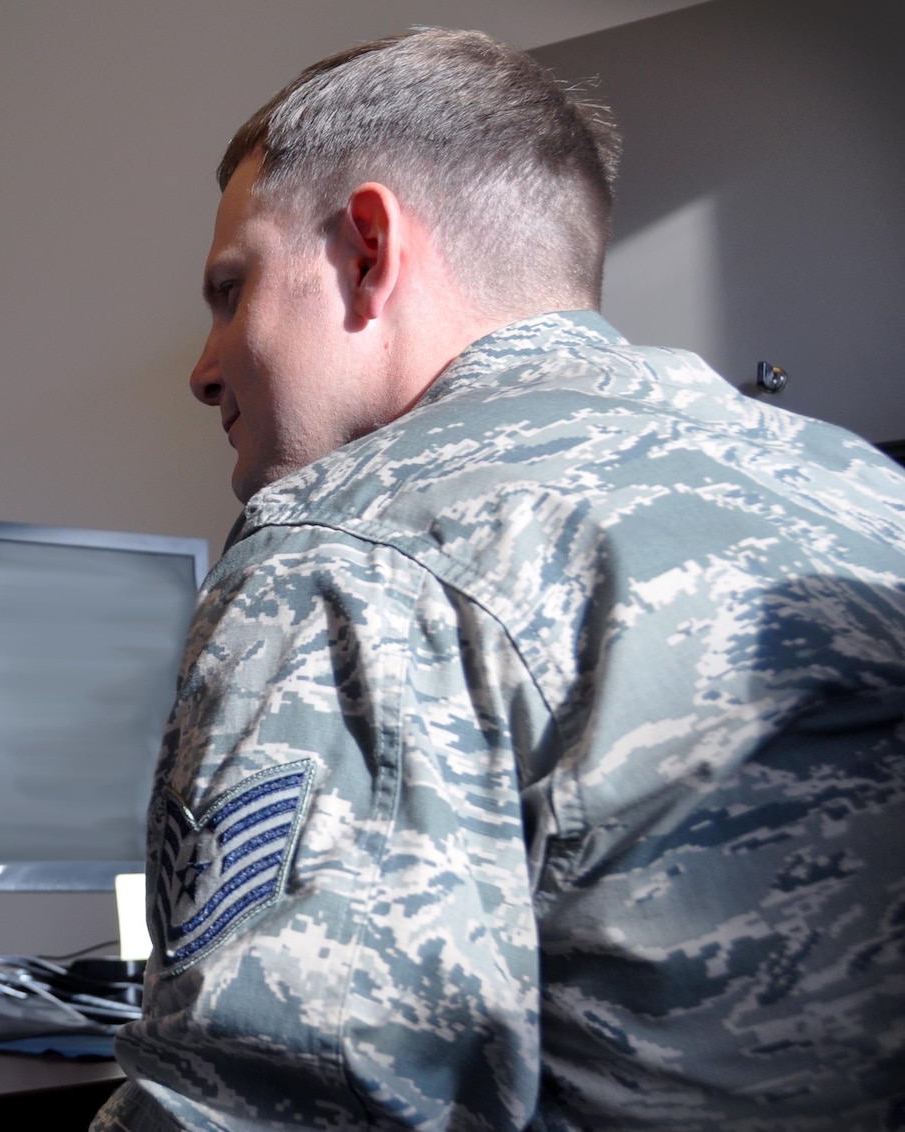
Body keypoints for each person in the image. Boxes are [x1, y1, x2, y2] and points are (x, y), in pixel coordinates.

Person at [96, 27, 905, 1131]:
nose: (202, 367)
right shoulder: (858, 487)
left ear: (366, 249)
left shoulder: (348, 552)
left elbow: (267, 1113)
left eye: (230, 289)